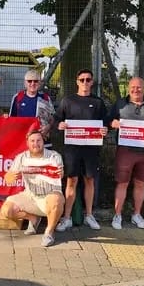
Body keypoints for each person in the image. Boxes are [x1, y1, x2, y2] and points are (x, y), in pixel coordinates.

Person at [53, 68, 108, 232]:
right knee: (72, 181)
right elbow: (57, 119)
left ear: (92, 82)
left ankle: (89, 215)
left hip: (91, 149)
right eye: (82, 79)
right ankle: (67, 217)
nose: (85, 82)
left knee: (89, 180)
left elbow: (105, 123)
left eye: (88, 79)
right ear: (77, 82)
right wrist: (60, 125)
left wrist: (104, 129)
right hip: (72, 149)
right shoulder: (67, 101)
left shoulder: (98, 102)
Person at [108, 77, 144, 230]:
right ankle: (117, 215)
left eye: (139, 87)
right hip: (125, 150)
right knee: (122, 183)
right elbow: (108, 120)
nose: (136, 90)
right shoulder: (120, 104)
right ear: (128, 88)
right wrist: (112, 123)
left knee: (141, 183)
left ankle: (137, 214)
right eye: (133, 87)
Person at [1, 129, 65, 247]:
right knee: (6, 210)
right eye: (32, 141)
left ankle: (49, 232)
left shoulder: (54, 156)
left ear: (43, 141)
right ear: (27, 143)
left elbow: (60, 174)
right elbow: (7, 179)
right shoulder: (21, 157)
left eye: (38, 140)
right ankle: (33, 219)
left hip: (49, 195)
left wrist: (60, 172)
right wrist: (11, 176)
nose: (36, 143)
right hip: (30, 195)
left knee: (56, 199)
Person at [8, 69, 55, 147]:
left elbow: (53, 118)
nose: (32, 84)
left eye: (36, 81)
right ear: (25, 83)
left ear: (39, 83)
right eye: (29, 81)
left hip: (42, 141)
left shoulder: (45, 98)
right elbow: (11, 120)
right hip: (22, 142)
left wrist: (48, 127)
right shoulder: (18, 97)